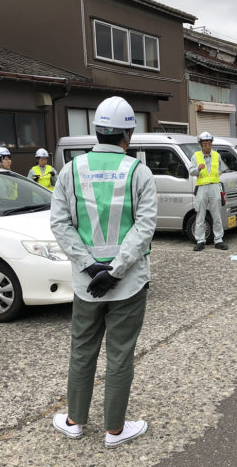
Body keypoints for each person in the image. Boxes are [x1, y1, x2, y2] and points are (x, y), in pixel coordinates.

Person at [50, 96, 157, 448]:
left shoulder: (71, 170)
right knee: (120, 353)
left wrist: (88, 265)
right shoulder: (137, 171)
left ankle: (74, 421)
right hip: (127, 284)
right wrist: (115, 270)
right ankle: (114, 430)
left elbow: (60, 223)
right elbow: (144, 226)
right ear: (129, 133)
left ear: (95, 130)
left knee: (82, 350)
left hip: (86, 285)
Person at [189, 132, 229, 251]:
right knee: (200, 215)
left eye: (209, 143)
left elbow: (221, 169)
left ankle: (218, 240)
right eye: (204, 144)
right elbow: (191, 171)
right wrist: (198, 169)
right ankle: (200, 241)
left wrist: (215, 179)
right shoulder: (195, 156)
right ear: (200, 145)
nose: (207, 146)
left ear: (211, 144)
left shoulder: (217, 156)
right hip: (201, 187)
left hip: (214, 187)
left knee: (216, 214)